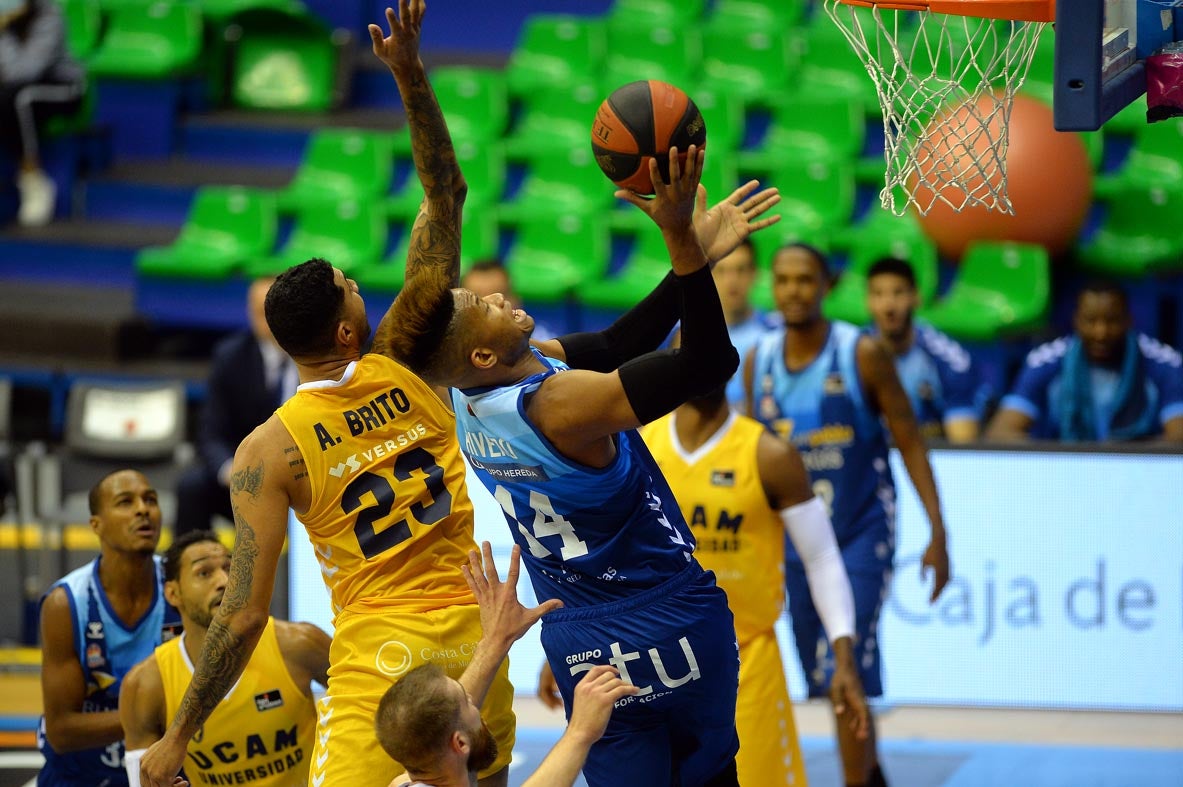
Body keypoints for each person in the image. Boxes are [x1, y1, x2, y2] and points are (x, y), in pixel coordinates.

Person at [138, 5, 518, 786]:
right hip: (476, 632)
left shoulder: (266, 449)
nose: (359, 287)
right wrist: (411, 75)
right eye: (352, 288)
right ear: (348, 331)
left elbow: (243, 615)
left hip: (383, 654)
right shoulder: (402, 358)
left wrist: (179, 735)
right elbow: (444, 193)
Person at [393, 133, 780, 784]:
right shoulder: (560, 404)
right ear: (482, 355)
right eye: (482, 307)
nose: (497, 298)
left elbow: (611, 343)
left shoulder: (463, 392)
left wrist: (694, 262)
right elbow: (709, 362)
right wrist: (682, 243)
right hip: (671, 614)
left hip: (580, 637)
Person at [745, 243, 952, 787]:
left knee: (847, 658)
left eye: (805, 280)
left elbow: (909, 439)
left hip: (862, 529)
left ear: (827, 286)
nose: (793, 290)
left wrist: (938, 530)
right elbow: (748, 461)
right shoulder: (757, 362)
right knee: (824, 670)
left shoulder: (861, 353)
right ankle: (873, 769)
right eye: (784, 280)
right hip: (795, 539)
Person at [636, 384, 868, 786]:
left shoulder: (770, 454)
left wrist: (843, 657)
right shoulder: (637, 443)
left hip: (744, 661)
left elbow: (822, 558)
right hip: (651, 659)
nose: (703, 360)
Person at [377, 542, 638, 787]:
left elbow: (441, 719)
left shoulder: (408, 778)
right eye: (468, 703)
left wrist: (497, 639)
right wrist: (580, 732)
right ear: (459, 743)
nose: (474, 698)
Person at [120, 530, 330, 787]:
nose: (224, 581)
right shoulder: (146, 685)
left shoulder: (298, 644)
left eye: (230, 568)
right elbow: (140, 781)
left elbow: (368, 705)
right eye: (204, 573)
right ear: (173, 593)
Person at [37, 469, 181, 787]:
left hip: (162, 773)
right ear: (96, 525)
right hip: (81, 776)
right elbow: (61, 731)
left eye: (150, 499)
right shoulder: (65, 603)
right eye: (125, 502)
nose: (143, 509)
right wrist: (158, 717)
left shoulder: (181, 586)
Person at [987, 279, 1183, 442]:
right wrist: (1067, 457)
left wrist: (1124, 458)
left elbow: (1179, 435)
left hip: (1140, 475)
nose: (1101, 333)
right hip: (1064, 472)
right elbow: (1001, 433)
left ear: (1128, 320)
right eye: (1090, 321)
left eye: (1112, 321)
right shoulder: (1046, 361)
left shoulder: (1163, 363)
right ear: (1076, 321)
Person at [175, 277, 292, 536]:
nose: (269, 320)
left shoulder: (317, 351)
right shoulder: (230, 357)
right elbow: (211, 432)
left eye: (276, 310)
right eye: (260, 312)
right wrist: (231, 470)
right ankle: (194, 569)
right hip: (248, 476)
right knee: (193, 487)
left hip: (305, 476)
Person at [864, 257, 982, 443]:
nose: (888, 306)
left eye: (898, 293)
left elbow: (963, 444)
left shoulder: (950, 360)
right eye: (878, 294)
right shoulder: (850, 355)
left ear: (916, 297)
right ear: (867, 301)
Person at [0, 0, 85, 226]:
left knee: (19, 98)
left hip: (63, 89)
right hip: (15, 88)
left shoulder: (49, 15)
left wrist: (3, 32)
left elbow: (23, 71)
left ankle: (33, 179)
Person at [712, 238, 781, 411]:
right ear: (709, 275)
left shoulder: (776, 334)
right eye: (722, 271)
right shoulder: (682, 336)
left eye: (741, 270)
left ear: (754, 273)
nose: (732, 281)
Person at [460, 259, 555, 341]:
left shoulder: (545, 349)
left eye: (500, 296)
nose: (489, 307)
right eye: (478, 300)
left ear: (516, 300)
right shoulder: (449, 353)